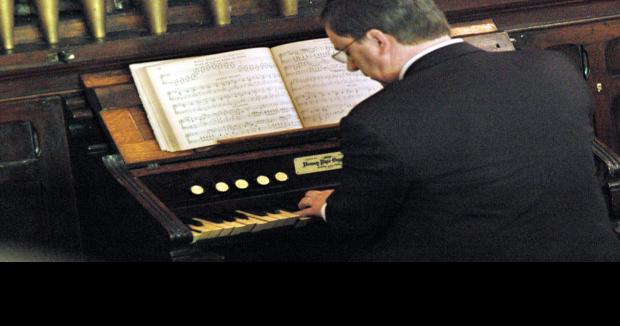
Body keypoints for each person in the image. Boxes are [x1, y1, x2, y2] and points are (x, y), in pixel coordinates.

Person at [296, 0, 620, 261]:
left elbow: (356, 222)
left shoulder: (375, 119)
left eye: (347, 51)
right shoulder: (553, 68)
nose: (352, 66)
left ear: (379, 40)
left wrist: (329, 206)